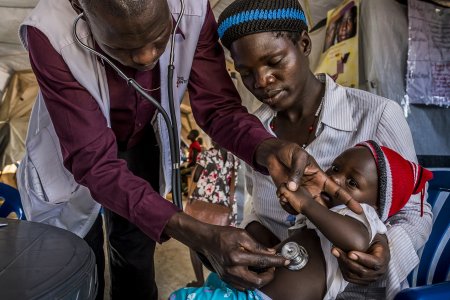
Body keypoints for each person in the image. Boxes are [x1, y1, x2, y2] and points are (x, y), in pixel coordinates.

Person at [16, 0, 355, 299]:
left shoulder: (192, 7)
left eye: (160, 36)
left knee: (135, 253)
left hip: (140, 143)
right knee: (79, 256)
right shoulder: (48, 32)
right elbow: (94, 162)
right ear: (81, 10)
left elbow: (218, 107)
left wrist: (265, 148)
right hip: (72, 155)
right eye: (123, 49)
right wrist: (197, 233)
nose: (148, 57)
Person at [216, 0, 432, 299]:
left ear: (304, 43)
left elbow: (416, 211)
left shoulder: (376, 114)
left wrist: (386, 252)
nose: (262, 81)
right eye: (246, 72)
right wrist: (250, 235)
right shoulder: (254, 133)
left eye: (275, 61)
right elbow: (257, 205)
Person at [169, 141, 433, 300]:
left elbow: (356, 239)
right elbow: (291, 246)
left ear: (376, 205)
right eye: (336, 169)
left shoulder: (364, 217)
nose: (336, 180)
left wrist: (306, 205)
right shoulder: (326, 212)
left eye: (352, 182)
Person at [185, 142, 240, 287]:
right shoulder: (235, 158)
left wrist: (190, 192)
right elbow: (234, 185)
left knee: (194, 244)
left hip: (202, 202)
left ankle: (199, 280)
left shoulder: (206, 154)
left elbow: (196, 176)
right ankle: (221, 281)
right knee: (220, 245)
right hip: (224, 206)